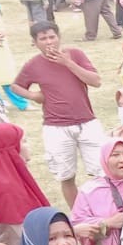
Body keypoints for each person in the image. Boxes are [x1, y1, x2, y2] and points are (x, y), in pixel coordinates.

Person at [12, 21, 104, 209]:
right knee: (66, 176)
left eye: (52, 37)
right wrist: (33, 96)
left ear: (59, 37)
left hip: (87, 122)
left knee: (101, 172)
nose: (49, 42)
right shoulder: (34, 65)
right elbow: (16, 86)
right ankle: (78, 215)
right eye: (43, 38)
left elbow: (96, 81)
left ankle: (102, 209)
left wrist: (68, 63)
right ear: (35, 42)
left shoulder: (76, 55)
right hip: (56, 127)